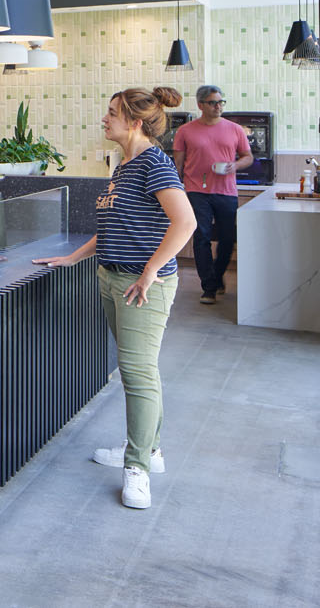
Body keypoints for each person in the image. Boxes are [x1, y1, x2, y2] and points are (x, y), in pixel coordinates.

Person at [33, 87, 196, 511]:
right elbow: (111, 225)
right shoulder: (124, 165)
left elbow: (185, 222)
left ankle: (138, 466)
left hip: (141, 285)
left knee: (138, 372)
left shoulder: (153, 163)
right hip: (112, 278)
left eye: (111, 114)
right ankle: (149, 449)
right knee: (137, 370)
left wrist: (149, 271)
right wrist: (73, 257)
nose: (104, 120)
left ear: (135, 122)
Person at [171, 84, 253, 305]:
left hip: (226, 191)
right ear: (200, 105)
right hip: (197, 190)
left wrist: (234, 166)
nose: (218, 106)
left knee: (227, 238)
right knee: (202, 237)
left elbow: (248, 157)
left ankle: (217, 276)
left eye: (221, 102)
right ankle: (208, 286)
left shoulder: (235, 129)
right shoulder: (185, 131)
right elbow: (177, 163)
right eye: (213, 102)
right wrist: (175, 189)